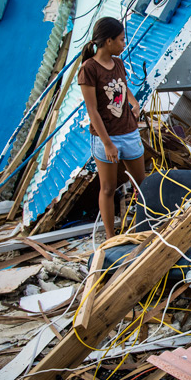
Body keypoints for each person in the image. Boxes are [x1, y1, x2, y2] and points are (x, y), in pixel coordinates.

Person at [78, 17, 145, 239]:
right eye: (121, 39)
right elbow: (93, 110)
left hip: (129, 131)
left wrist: (134, 104)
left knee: (141, 184)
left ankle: (144, 227)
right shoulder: (89, 69)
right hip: (106, 137)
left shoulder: (118, 64)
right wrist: (107, 143)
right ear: (108, 41)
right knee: (108, 188)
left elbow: (123, 89)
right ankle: (110, 237)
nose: (123, 43)